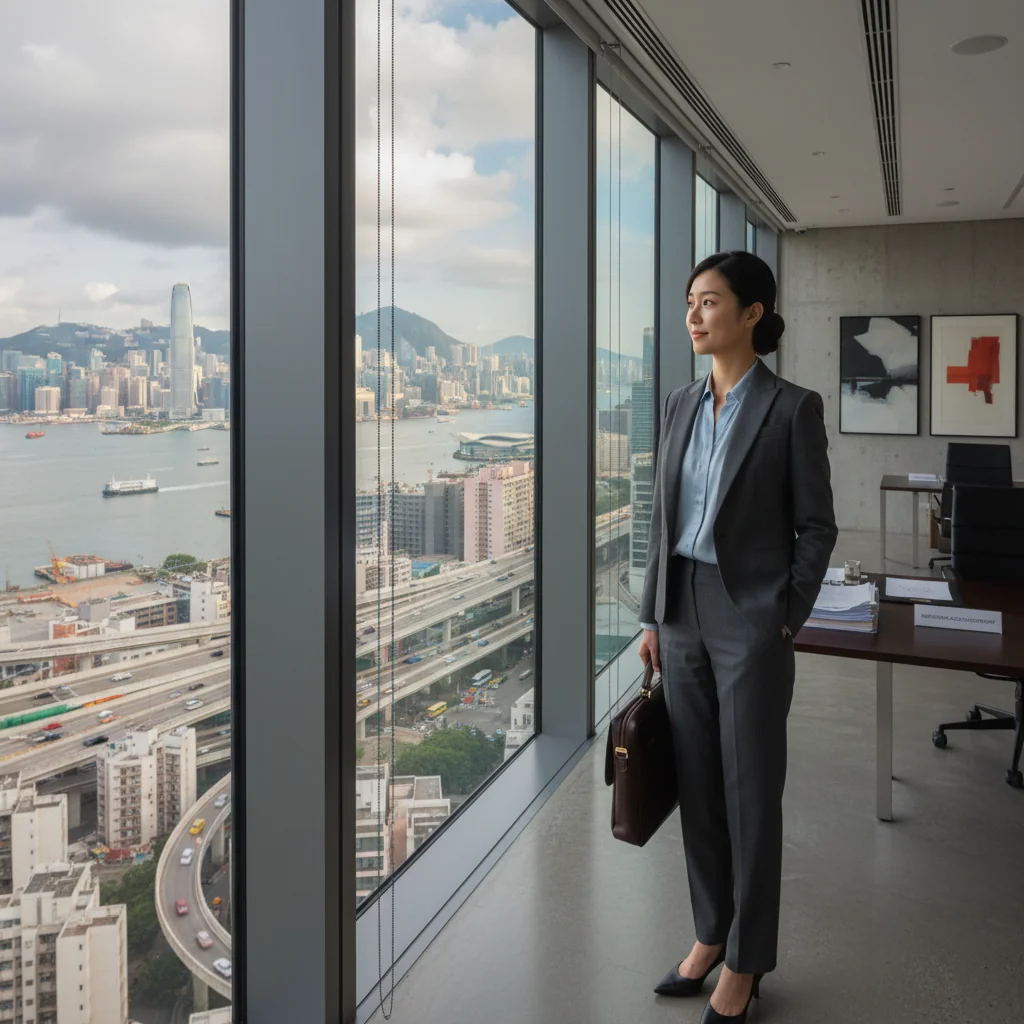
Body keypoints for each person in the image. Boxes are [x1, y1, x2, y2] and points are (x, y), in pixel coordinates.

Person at [638, 251, 837, 1024]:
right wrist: (654, 616)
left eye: (710, 302)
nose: (694, 315)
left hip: (749, 617)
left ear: (753, 313)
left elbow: (815, 527)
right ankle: (710, 933)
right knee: (698, 787)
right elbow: (660, 521)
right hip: (681, 610)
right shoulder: (679, 404)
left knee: (750, 792)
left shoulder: (792, 407)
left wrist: (782, 615)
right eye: (690, 301)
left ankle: (749, 961)